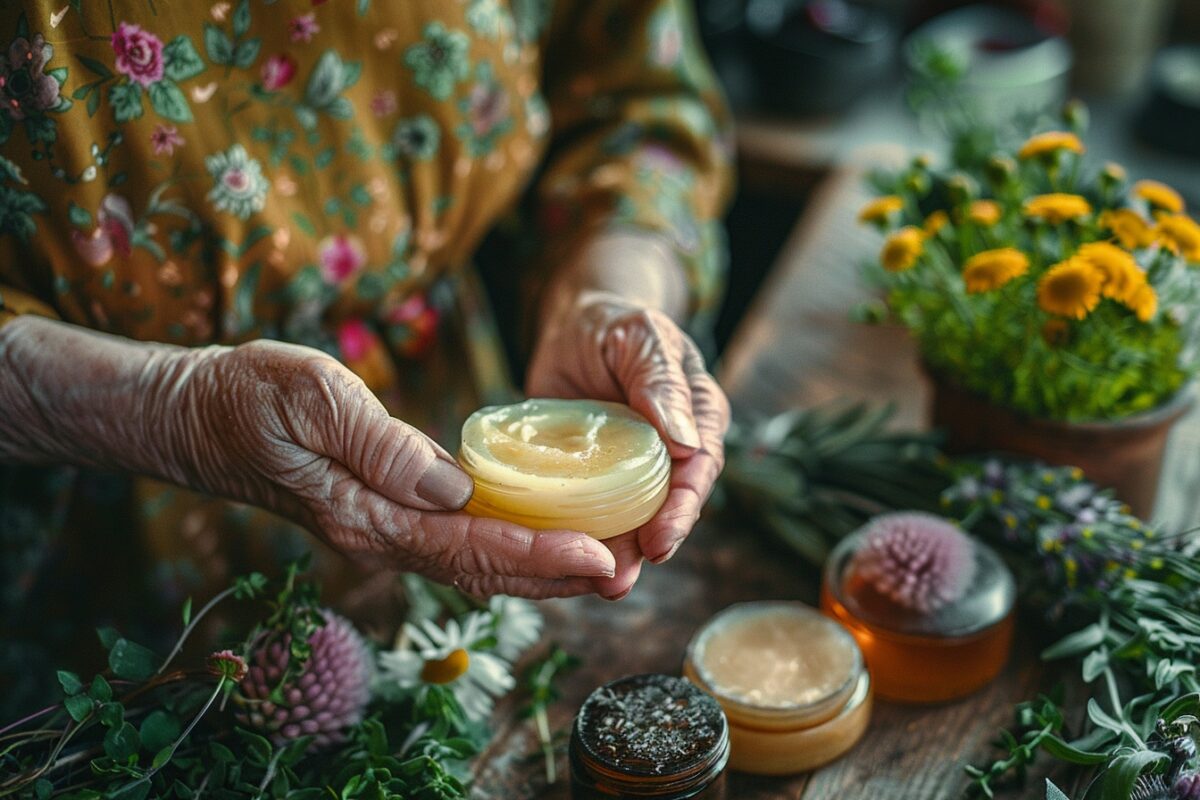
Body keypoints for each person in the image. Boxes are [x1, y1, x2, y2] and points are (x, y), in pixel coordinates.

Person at [0, 0, 733, 668]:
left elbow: (635, 94)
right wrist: (171, 404)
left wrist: (605, 290)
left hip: (447, 432)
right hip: (79, 533)